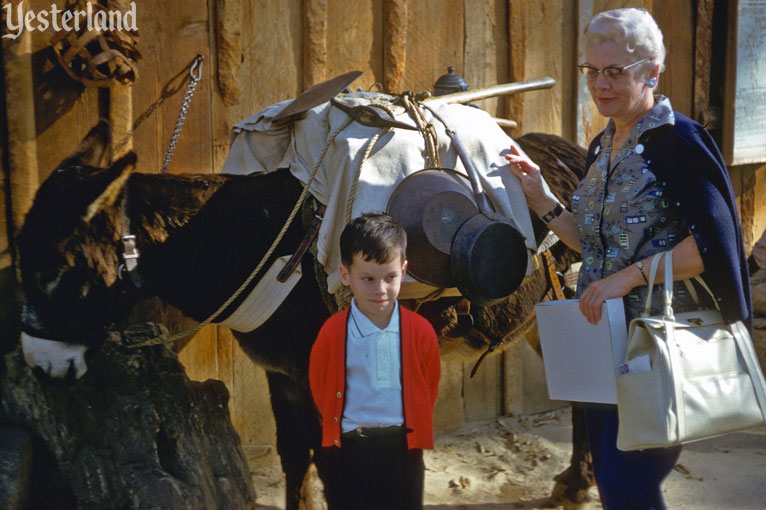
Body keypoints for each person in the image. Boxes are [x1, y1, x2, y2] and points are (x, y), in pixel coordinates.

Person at [505, 7, 752, 509]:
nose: (600, 83)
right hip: (601, 344)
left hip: (657, 347)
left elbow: (716, 244)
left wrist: (627, 279)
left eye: (615, 71)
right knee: (617, 486)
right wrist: (540, 199)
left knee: (628, 487)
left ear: (652, 72)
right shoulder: (604, 145)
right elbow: (593, 244)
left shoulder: (678, 140)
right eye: (591, 71)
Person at [309, 212, 441, 510]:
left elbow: (429, 382)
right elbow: (319, 382)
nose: (380, 289)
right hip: (349, 448)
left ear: (403, 271)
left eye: (389, 277)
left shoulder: (420, 331)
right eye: (367, 278)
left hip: (403, 448)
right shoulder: (333, 332)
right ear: (345, 275)